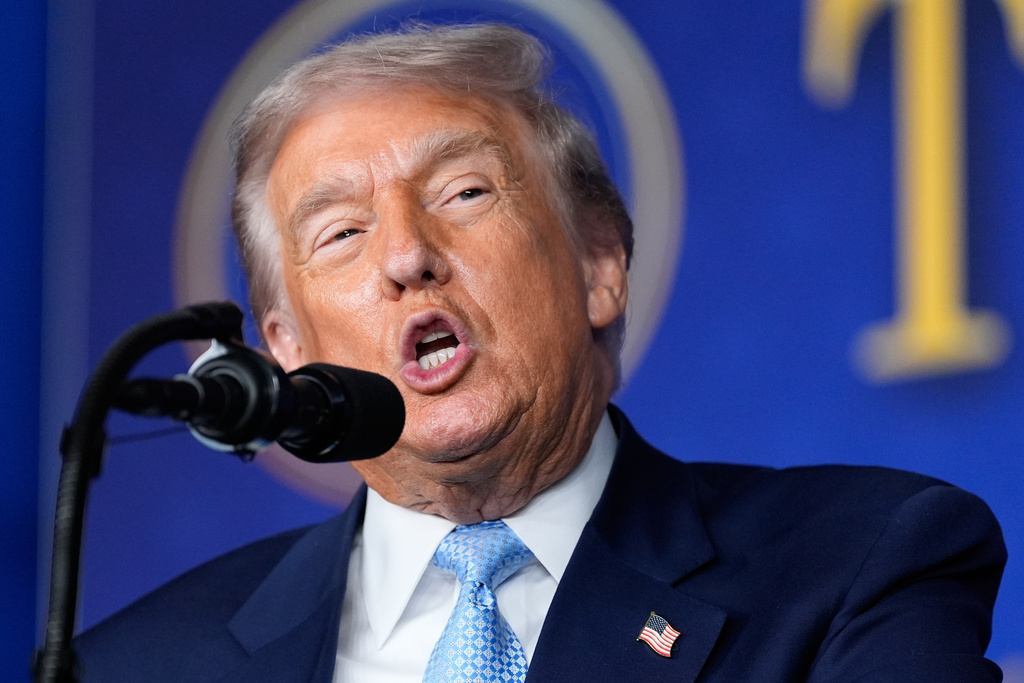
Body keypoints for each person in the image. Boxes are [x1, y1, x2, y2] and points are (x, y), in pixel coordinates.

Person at [75, 23, 1006, 682]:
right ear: (286, 351)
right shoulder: (131, 666)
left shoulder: (859, 565)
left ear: (600, 263)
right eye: (342, 233)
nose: (406, 255)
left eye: (465, 191)